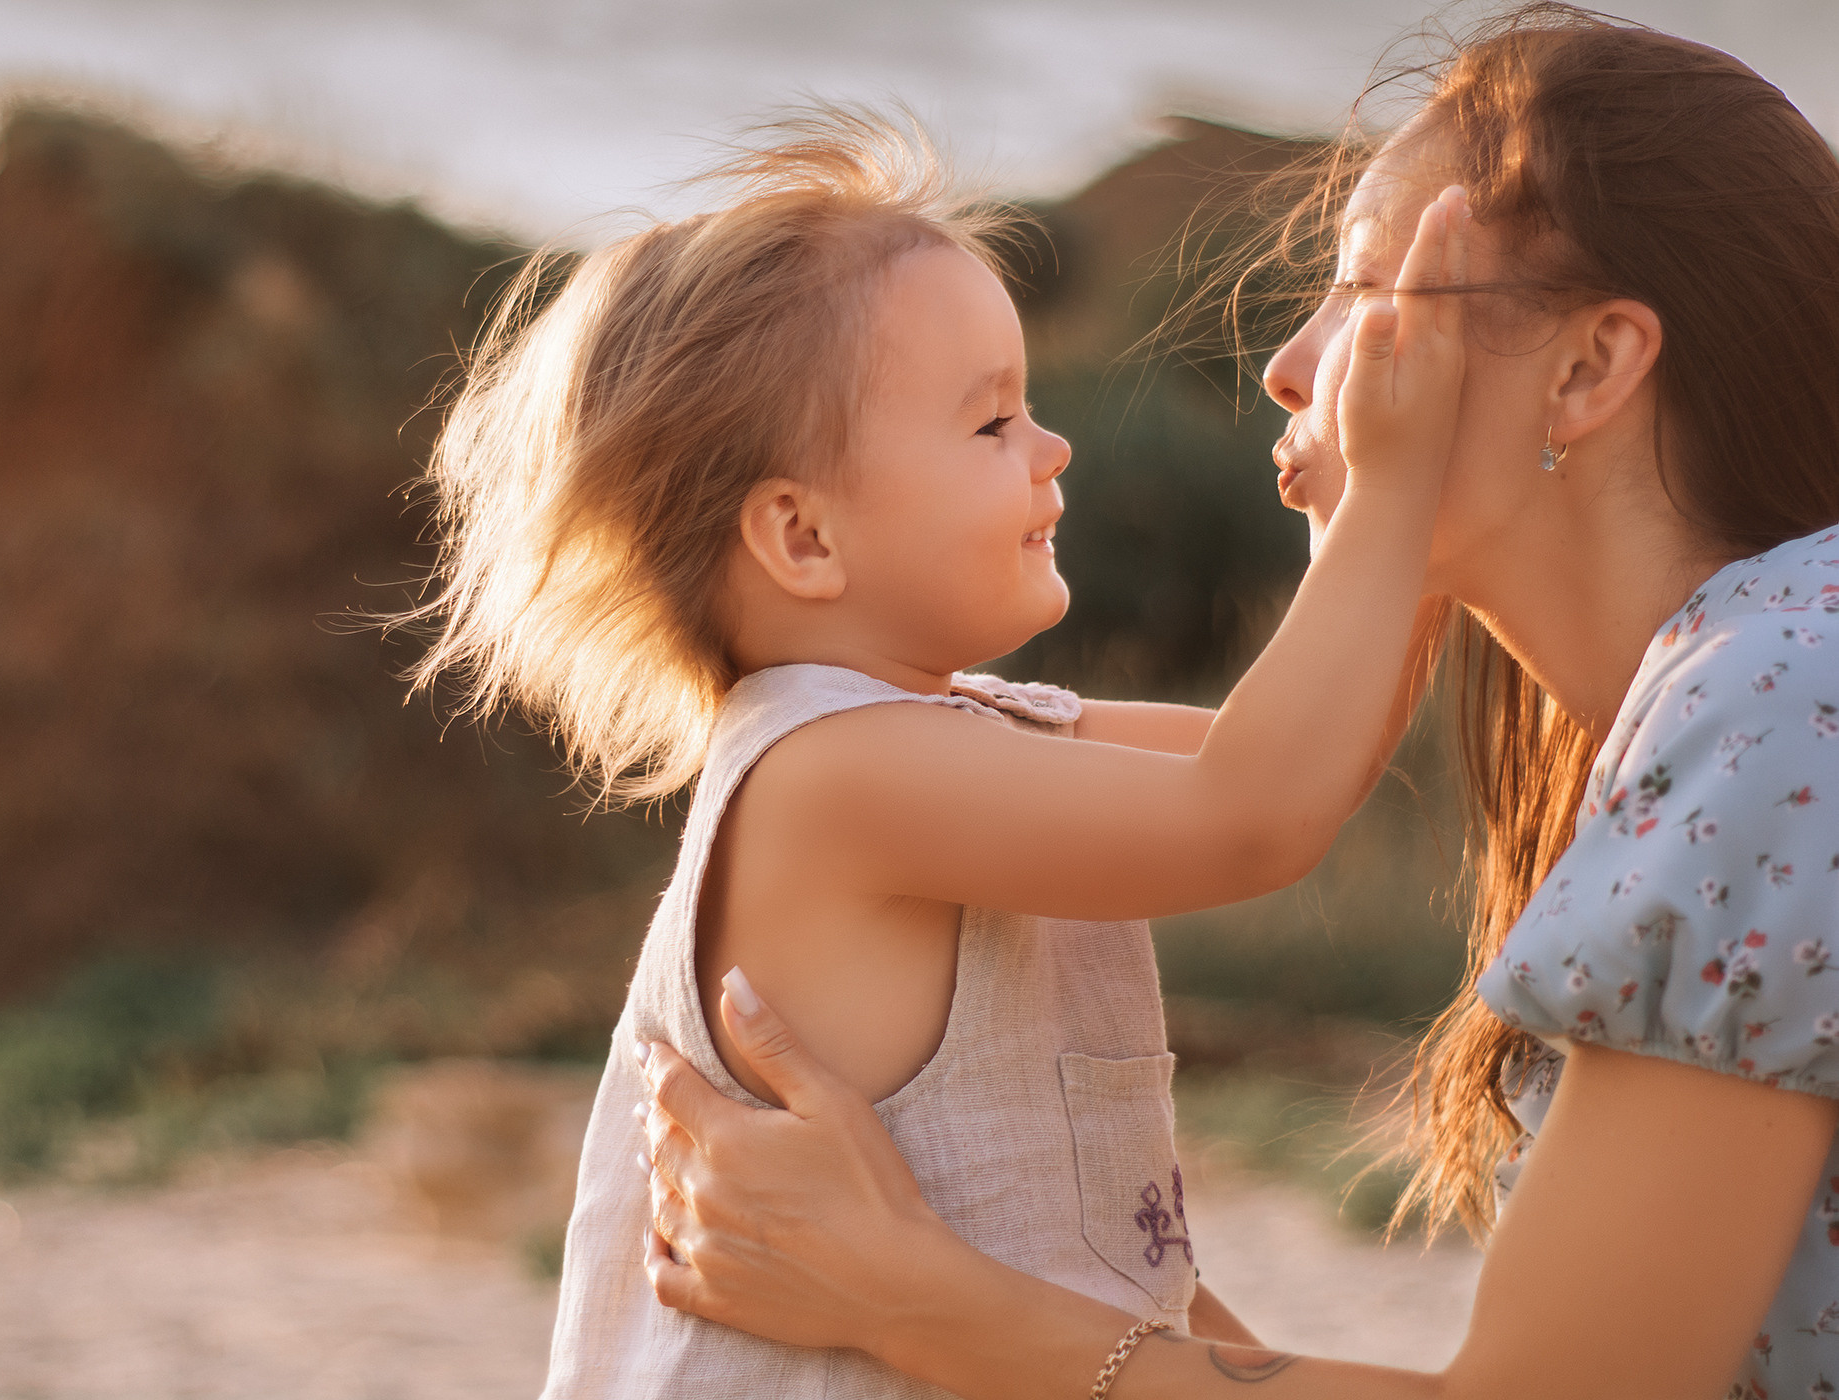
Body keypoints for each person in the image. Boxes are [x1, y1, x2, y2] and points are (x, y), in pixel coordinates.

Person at [637, 9, 1839, 1400]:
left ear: (1585, 369)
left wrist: (919, 1303)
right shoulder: (1763, 687)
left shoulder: (1774, 695)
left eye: (1370, 293)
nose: (1290, 364)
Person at [397, 104, 1463, 1396]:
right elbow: (1256, 815)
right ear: (803, 538)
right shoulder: (826, 779)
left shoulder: (961, 737)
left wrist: (1394, 521)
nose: (1051, 449)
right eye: (992, 424)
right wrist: (1396, 497)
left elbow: (1302, 770)